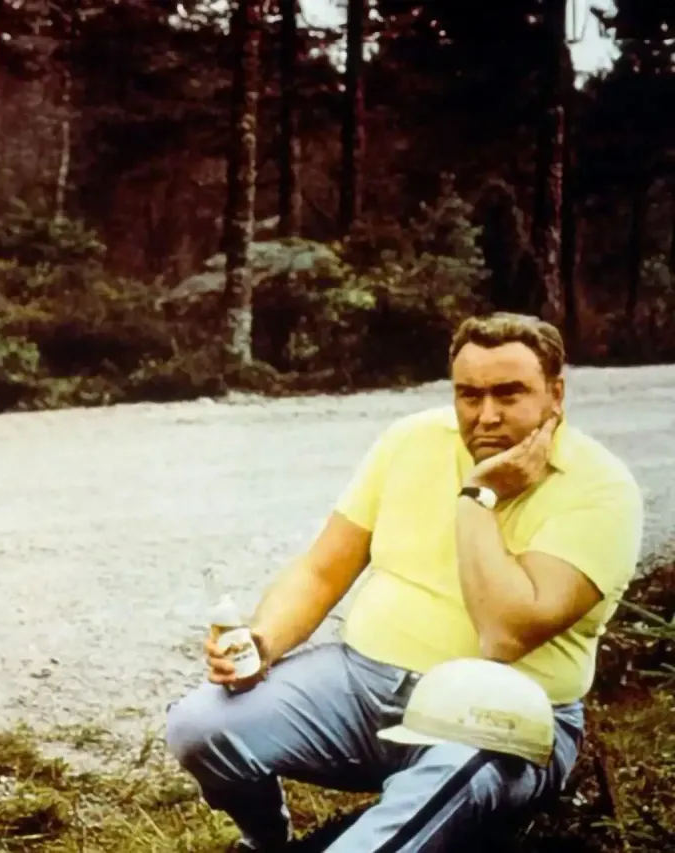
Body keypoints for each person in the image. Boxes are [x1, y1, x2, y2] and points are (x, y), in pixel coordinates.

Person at [164, 312, 645, 852]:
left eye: (509, 394)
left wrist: (479, 497)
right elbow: (321, 570)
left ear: (556, 394)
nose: (486, 415)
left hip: (499, 718)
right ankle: (268, 842)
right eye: (469, 395)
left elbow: (504, 635)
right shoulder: (413, 439)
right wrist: (264, 640)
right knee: (198, 726)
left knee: (394, 827)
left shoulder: (600, 488)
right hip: (364, 683)